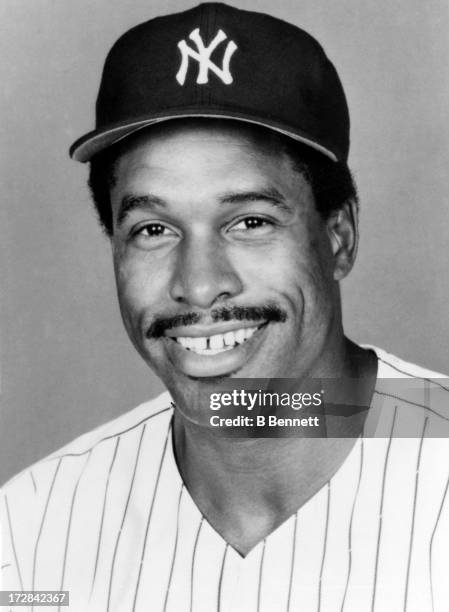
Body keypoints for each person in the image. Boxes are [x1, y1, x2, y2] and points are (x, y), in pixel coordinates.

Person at [1, 3, 448, 611]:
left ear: (338, 236)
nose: (201, 285)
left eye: (250, 221)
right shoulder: (31, 529)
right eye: (153, 230)